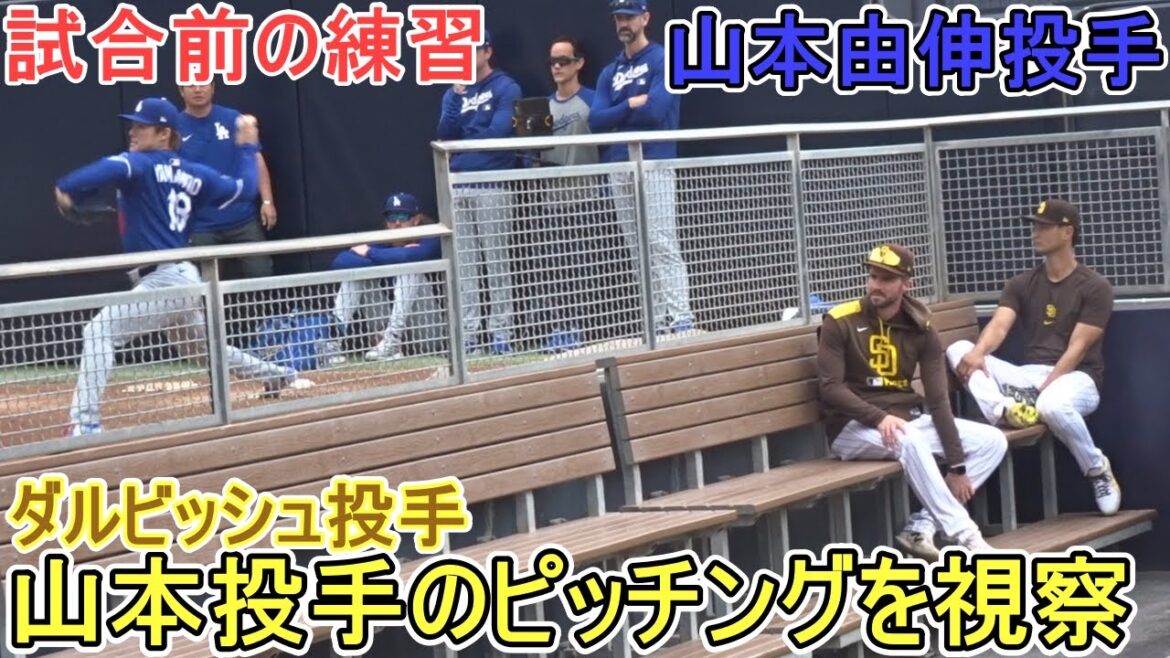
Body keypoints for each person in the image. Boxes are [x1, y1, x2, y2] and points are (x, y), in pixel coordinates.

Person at [54, 98, 296, 437]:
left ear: (164, 133)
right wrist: (247, 147)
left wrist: (68, 193)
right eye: (133, 125)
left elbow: (80, 179)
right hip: (180, 276)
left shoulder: (138, 164)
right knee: (205, 349)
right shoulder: (192, 172)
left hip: (165, 278)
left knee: (99, 331)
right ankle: (277, 375)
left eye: (142, 126)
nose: (133, 131)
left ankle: (85, 422)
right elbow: (243, 190)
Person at [817, 243, 1007, 558]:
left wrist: (957, 466)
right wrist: (878, 417)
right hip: (851, 428)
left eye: (886, 279)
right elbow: (831, 389)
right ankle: (968, 538)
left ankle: (922, 526)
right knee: (910, 438)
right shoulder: (840, 320)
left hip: (904, 420)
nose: (876, 285)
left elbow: (938, 401)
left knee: (992, 441)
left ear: (906, 284)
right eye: (873, 276)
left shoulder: (921, 328)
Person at [947, 198, 1121, 516]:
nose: (1034, 233)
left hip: (1076, 378)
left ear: (1067, 232)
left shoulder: (1096, 286)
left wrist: (1042, 391)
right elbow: (999, 326)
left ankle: (1096, 467)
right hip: (1027, 379)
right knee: (958, 350)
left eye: (1043, 227)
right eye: (1034, 226)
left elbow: (1078, 349)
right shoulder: (1021, 283)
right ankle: (1003, 410)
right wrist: (978, 353)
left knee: (1051, 405)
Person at [590, 0, 693, 336]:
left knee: (661, 241)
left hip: (654, 160)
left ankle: (681, 318)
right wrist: (630, 104)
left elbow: (655, 111)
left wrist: (619, 113)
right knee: (638, 250)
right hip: (619, 163)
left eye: (630, 17)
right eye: (619, 18)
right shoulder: (611, 71)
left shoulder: (665, 59)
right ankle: (656, 322)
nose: (624, 23)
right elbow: (595, 120)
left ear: (645, 18)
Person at [437, 29, 523, 355]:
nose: (468, 55)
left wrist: (463, 141)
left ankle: (501, 334)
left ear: (487, 52)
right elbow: (444, 133)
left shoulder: (506, 86)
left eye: (474, 49)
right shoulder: (454, 92)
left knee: (497, 262)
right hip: (458, 184)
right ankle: (470, 335)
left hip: (492, 183)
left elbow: (498, 133)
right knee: (465, 266)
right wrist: (456, 100)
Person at [177, 80, 277, 279]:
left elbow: (256, 158)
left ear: (213, 87)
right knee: (204, 285)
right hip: (199, 224)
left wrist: (267, 201)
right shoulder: (174, 127)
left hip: (242, 217)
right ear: (181, 91)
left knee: (262, 275)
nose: (198, 89)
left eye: (203, 83)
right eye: (191, 85)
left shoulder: (233, 119)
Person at [537, 35, 598, 353]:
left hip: (586, 198)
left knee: (581, 268)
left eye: (563, 61)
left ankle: (579, 328)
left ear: (579, 63)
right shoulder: (544, 107)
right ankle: (559, 328)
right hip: (552, 201)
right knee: (555, 269)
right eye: (552, 62)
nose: (557, 67)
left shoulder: (593, 100)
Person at [329, 193, 442, 362]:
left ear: (416, 219)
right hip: (383, 329)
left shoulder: (430, 235)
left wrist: (371, 253)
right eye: (392, 217)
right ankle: (332, 342)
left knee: (410, 269)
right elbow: (340, 261)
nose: (397, 223)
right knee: (356, 274)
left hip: (428, 329)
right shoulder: (385, 241)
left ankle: (393, 340)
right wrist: (388, 254)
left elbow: (409, 257)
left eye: (403, 216)